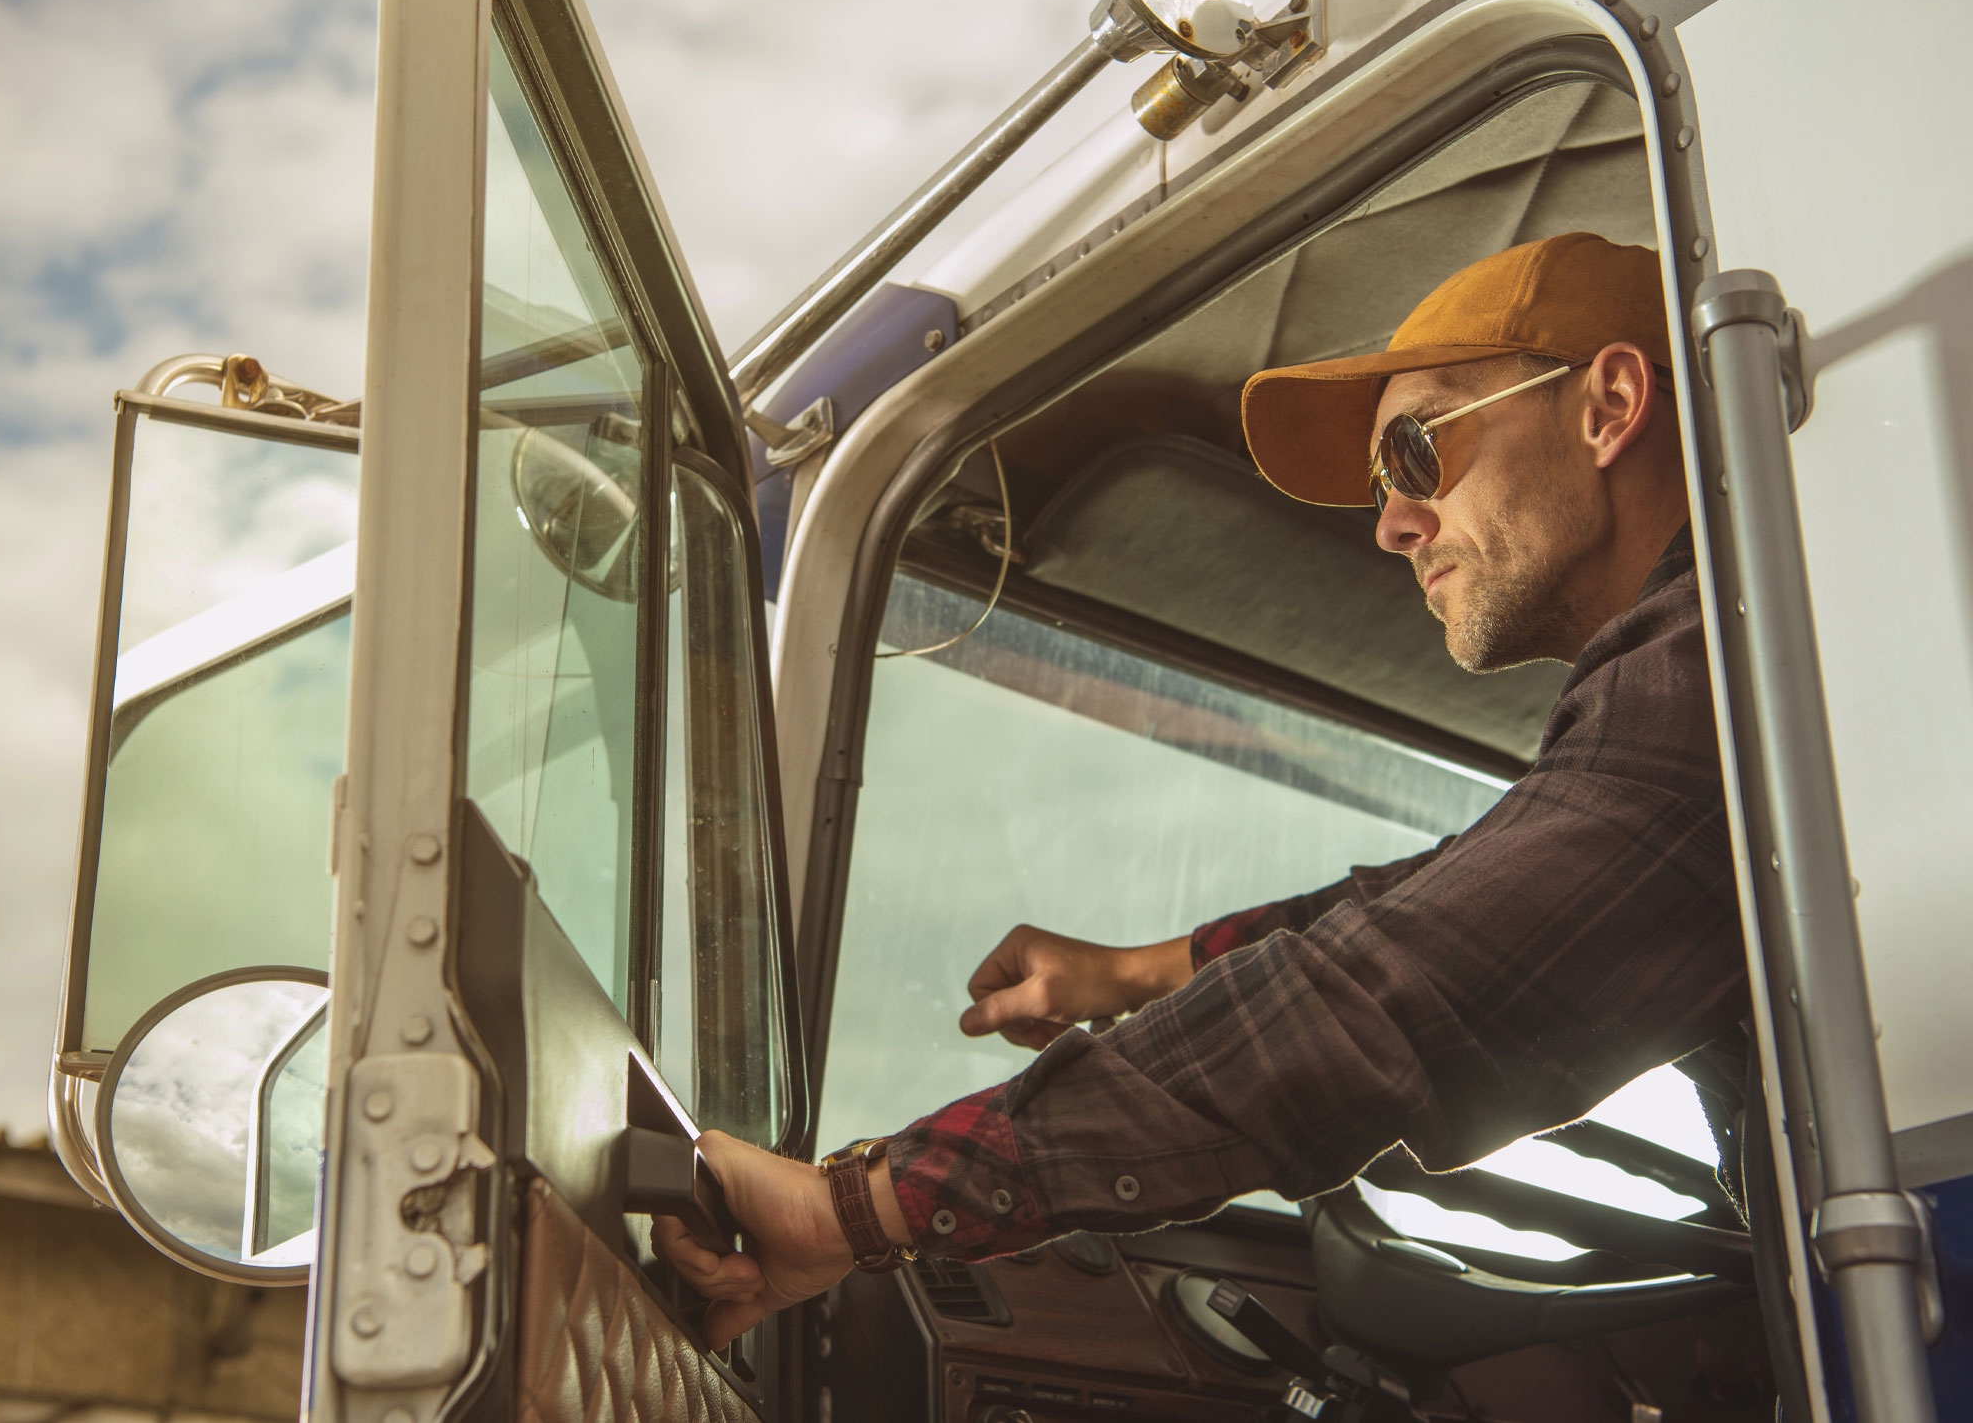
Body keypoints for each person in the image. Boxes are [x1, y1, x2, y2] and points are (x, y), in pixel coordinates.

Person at [655, 231, 1749, 1350]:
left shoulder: (1729, 662)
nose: (1388, 523)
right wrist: (1136, 974)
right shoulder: (1703, 691)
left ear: (1608, 405)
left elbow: (1390, 989)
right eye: (1383, 484)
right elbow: (1444, 896)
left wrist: (859, 1207)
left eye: (1415, 453)